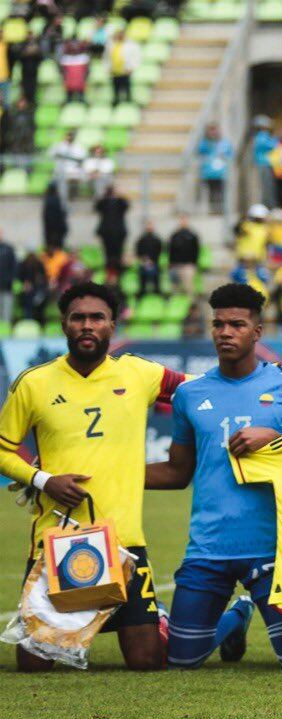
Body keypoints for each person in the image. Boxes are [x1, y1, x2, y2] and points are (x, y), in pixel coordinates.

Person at [143, 284, 282, 669]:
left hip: (274, 548)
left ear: (257, 332)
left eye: (236, 324)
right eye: (218, 324)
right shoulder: (189, 394)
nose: (225, 332)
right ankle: (235, 619)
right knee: (181, 662)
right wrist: (106, 475)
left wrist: (277, 437)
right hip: (208, 548)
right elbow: (178, 471)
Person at [0, 282, 188, 671]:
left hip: (125, 541)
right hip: (58, 540)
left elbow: (205, 391)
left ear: (112, 326)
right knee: (33, 666)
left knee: (146, 662)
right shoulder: (34, 383)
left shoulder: (140, 374)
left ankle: (159, 618)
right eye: (78, 318)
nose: (88, 325)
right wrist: (43, 480)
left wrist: (277, 370)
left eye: (97, 318)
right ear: (65, 325)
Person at [94, 184, 129, 282]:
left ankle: (118, 278)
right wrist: (105, 196)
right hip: (107, 234)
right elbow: (97, 206)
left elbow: (126, 205)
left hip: (118, 234)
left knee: (118, 256)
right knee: (108, 257)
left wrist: (120, 195)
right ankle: (109, 277)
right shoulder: (104, 202)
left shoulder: (120, 202)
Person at [196, 123, 232, 214]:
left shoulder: (223, 143)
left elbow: (230, 154)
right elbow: (200, 153)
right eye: (211, 130)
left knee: (220, 192)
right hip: (209, 172)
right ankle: (213, 210)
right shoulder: (205, 143)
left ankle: (220, 209)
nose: (213, 132)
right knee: (211, 192)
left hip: (220, 172)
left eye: (214, 130)